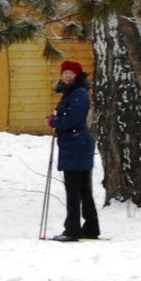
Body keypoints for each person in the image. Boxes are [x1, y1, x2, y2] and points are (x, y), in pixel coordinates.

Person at [46, 60, 100, 242]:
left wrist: (55, 122)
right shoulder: (72, 93)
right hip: (76, 144)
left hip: (76, 145)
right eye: (65, 73)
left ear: (77, 75)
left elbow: (73, 119)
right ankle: (91, 228)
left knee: (74, 190)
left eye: (71, 73)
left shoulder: (78, 94)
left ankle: (72, 230)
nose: (68, 76)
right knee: (83, 190)